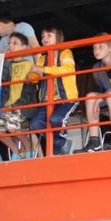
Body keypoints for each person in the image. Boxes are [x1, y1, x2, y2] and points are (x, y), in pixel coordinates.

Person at [28, 26, 79, 156]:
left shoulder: (65, 53)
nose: (45, 38)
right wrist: (32, 73)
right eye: (43, 36)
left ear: (58, 38)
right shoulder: (42, 58)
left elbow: (68, 70)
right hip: (47, 101)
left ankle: (58, 145)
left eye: (49, 35)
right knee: (35, 124)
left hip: (66, 99)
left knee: (56, 119)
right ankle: (61, 143)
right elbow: (33, 79)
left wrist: (43, 70)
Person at [0, 33, 39, 159]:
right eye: (9, 43)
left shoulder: (29, 65)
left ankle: (28, 147)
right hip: (8, 107)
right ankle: (16, 151)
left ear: (24, 47)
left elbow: (30, 90)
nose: (11, 46)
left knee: (11, 126)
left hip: (25, 105)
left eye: (15, 43)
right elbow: (2, 85)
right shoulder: (7, 66)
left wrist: (17, 104)